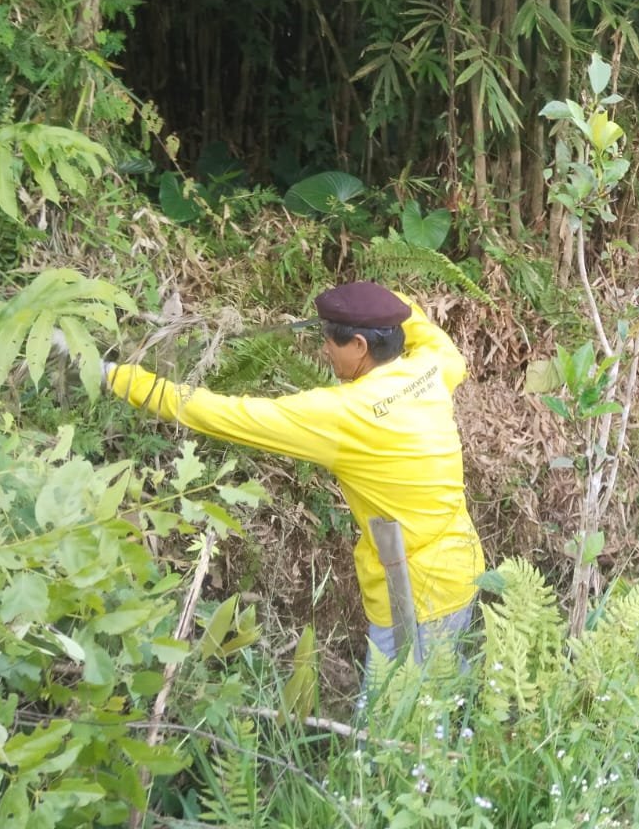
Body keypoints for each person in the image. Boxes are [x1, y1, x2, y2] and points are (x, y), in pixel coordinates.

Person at [102, 281, 485, 677]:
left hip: (415, 593)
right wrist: (387, 302)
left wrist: (120, 379)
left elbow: (221, 414)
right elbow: (431, 336)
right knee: (443, 689)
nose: (324, 349)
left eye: (329, 340)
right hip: (461, 565)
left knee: (394, 709)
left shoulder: (344, 414)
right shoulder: (431, 369)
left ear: (359, 345)